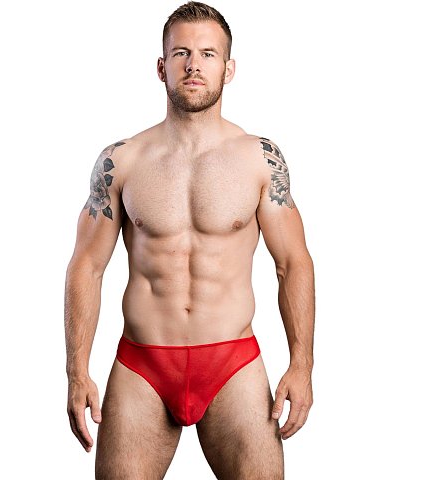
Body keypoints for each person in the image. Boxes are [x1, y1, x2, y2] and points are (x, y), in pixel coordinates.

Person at [64, 2, 315, 478]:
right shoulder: (122, 161)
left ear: (229, 69)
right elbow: (87, 267)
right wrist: (77, 373)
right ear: (162, 67)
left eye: (208, 54)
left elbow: (293, 263)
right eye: (181, 53)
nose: (194, 65)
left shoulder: (260, 159)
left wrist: (301, 365)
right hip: (142, 366)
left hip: (233, 362)